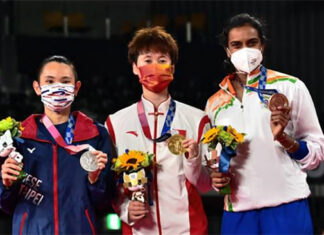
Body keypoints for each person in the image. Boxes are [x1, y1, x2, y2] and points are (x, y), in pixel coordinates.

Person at [205, 13, 324, 234]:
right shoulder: (214, 104)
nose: (245, 50)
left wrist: (285, 139)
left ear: (262, 46)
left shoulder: (291, 87)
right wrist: (217, 177)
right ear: (227, 51)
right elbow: (216, 159)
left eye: (252, 43)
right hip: (237, 211)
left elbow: (317, 153)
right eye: (236, 45)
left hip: (287, 206)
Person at [105, 26, 212, 235]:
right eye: (147, 60)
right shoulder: (115, 123)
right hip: (139, 229)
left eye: (162, 60)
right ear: (135, 67)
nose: (155, 66)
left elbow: (205, 186)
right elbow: (111, 183)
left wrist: (193, 159)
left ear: (172, 67)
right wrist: (125, 209)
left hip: (189, 228)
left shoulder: (197, 119)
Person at [0, 55, 115, 234]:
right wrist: (6, 184)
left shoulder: (96, 136)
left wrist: (95, 180)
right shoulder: (18, 137)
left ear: (76, 88)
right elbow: (5, 205)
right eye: (50, 81)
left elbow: (105, 203)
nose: (57, 87)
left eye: (65, 81)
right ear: (37, 88)